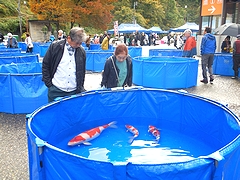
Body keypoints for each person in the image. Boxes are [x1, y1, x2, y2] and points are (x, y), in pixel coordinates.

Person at [42, 27, 87, 102]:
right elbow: (46, 65)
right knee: (54, 113)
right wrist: (49, 84)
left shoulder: (81, 52)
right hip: (56, 90)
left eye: (80, 43)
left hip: (73, 92)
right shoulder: (55, 47)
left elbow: (82, 71)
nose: (79, 45)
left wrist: (80, 88)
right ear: (69, 38)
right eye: (77, 43)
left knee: (71, 113)